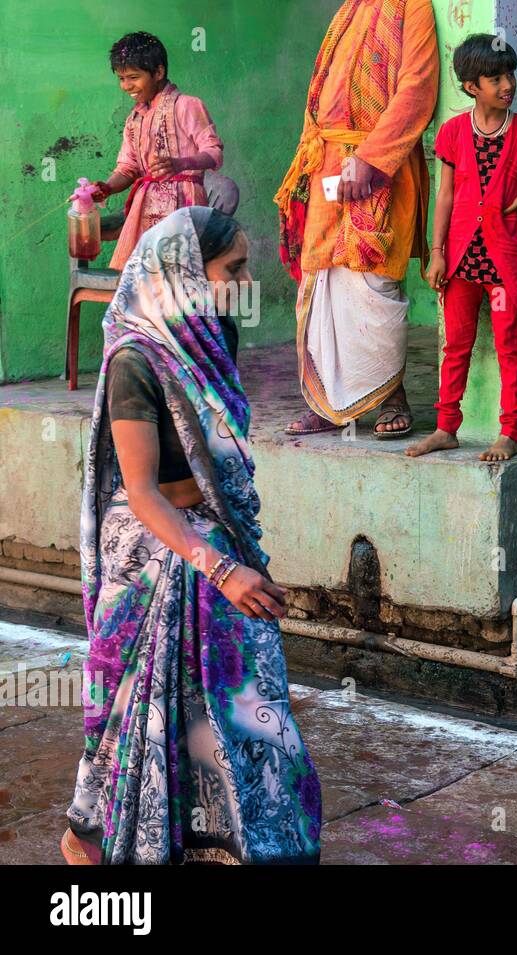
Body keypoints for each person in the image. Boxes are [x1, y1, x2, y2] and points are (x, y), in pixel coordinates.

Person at [61, 208, 321, 865]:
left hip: (214, 532)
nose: (243, 281)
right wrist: (220, 567)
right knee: (130, 711)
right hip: (153, 545)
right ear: (182, 272)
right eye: (231, 269)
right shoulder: (135, 360)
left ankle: (237, 838)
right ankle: (92, 837)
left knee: (242, 696)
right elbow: (144, 491)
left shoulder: (216, 334)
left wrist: (229, 555)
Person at [405, 33, 517, 463]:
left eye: (511, 74)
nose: (508, 85)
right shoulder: (451, 134)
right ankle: (447, 427)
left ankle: (511, 432)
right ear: (472, 86)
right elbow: (445, 196)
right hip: (461, 260)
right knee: (456, 345)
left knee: (510, 345)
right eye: (495, 78)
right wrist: (436, 252)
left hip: (504, 263)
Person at [277, 0, 437, 439]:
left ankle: (391, 396)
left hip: (380, 168)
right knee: (321, 283)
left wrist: (371, 160)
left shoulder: (412, 7)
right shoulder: (348, 10)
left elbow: (417, 88)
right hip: (326, 163)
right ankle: (328, 403)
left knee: (373, 284)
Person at [86, 32, 224, 271]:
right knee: (141, 287)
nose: (126, 86)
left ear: (158, 73)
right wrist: (107, 187)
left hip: (183, 208)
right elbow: (128, 169)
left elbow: (214, 153)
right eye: (121, 78)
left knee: (175, 286)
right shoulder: (134, 119)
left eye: (133, 77)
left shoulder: (187, 105)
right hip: (145, 209)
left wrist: (181, 163)